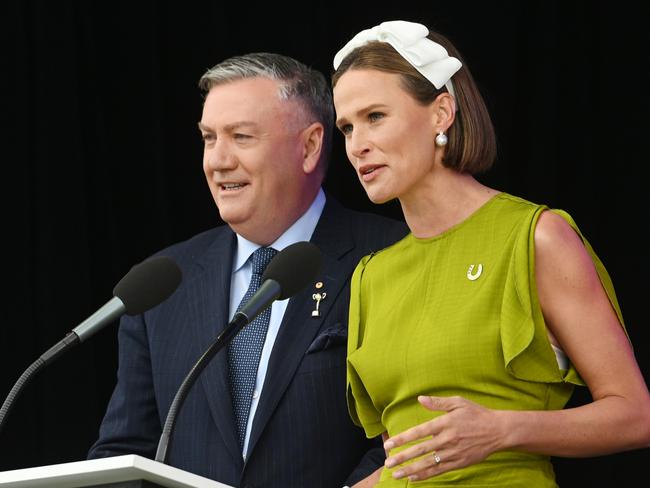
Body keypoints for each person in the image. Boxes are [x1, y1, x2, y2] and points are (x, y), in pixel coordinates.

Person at [330, 20, 650, 487]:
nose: (358, 145)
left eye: (376, 116)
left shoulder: (536, 236)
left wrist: (503, 430)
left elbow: (635, 415)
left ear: (441, 113)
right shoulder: (371, 276)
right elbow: (411, 458)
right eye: (346, 127)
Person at [87, 52, 408, 488]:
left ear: (310, 146)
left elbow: (407, 435)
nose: (217, 161)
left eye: (240, 137)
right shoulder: (162, 282)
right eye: (208, 138)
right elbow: (124, 453)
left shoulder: (395, 256)